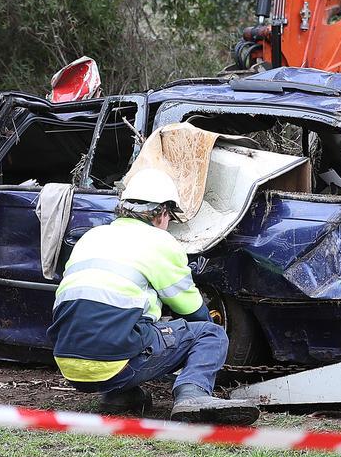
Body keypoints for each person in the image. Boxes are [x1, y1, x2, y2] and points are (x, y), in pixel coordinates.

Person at [47, 168, 259, 425]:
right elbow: (192, 309)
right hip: (112, 360)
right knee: (208, 335)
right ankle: (193, 396)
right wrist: (206, 346)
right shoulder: (160, 242)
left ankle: (120, 397)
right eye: (170, 216)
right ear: (161, 213)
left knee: (128, 323)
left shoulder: (92, 237)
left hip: (68, 362)